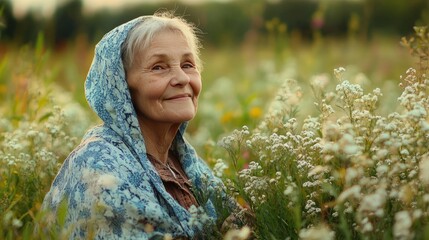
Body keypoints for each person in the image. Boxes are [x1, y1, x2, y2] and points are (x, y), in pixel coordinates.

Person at [42, 11, 243, 239]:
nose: (182, 78)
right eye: (159, 67)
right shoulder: (98, 164)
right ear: (121, 88)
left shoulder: (188, 164)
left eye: (188, 64)